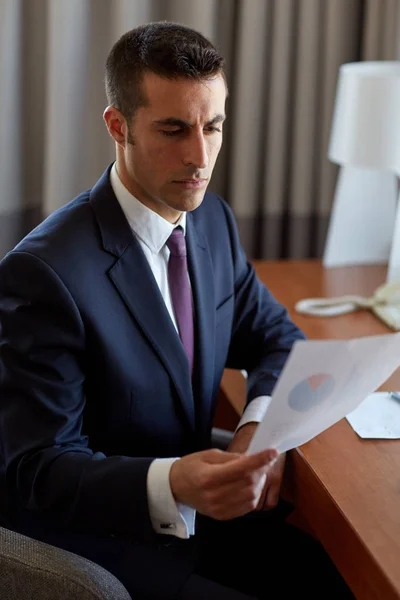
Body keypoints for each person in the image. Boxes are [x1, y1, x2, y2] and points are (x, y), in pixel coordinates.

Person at [0, 22, 353, 599]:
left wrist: (258, 432)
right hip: (107, 546)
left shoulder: (211, 220)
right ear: (119, 126)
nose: (200, 156)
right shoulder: (43, 275)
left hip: (211, 521)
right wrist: (170, 482)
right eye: (173, 129)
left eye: (212, 127)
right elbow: (36, 470)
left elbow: (276, 337)